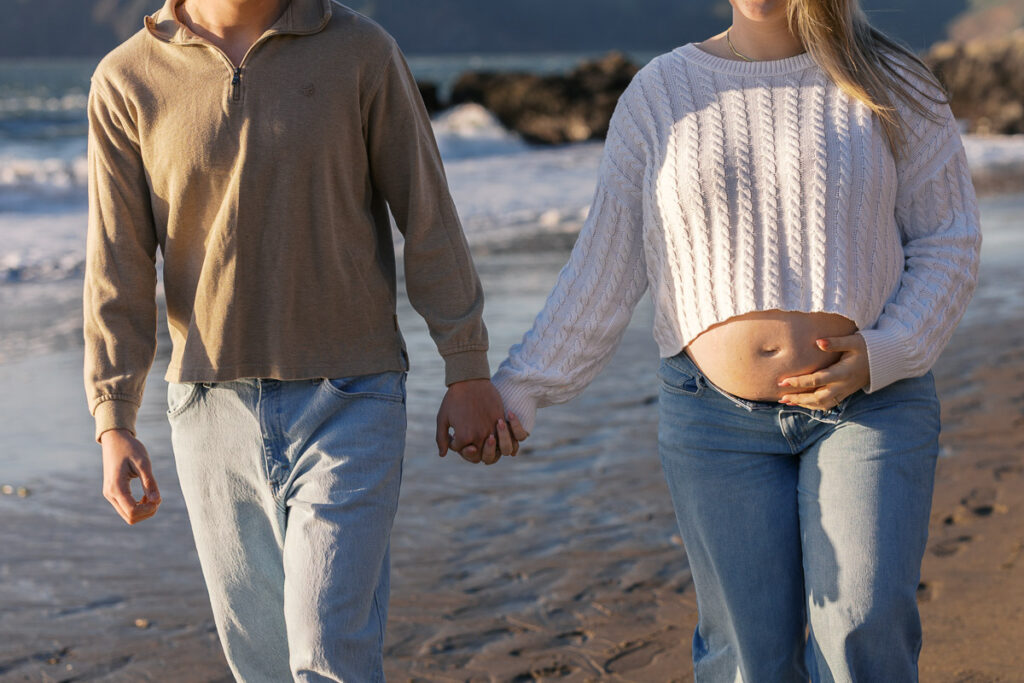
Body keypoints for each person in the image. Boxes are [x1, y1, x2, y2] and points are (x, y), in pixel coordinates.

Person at [489, 0, 981, 679]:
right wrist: (523, 384)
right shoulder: (659, 92)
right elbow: (607, 261)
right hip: (712, 421)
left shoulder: (892, 81)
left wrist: (887, 350)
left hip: (871, 404)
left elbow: (949, 238)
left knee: (863, 632)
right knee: (744, 657)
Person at [84, 0, 517, 679]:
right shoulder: (126, 78)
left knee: (325, 653)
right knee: (260, 664)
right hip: (208, 411)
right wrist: (114, 417)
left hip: (352, 396)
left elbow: (428, 215)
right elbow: (118, 262)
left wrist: (466, 366)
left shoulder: (361, 51)